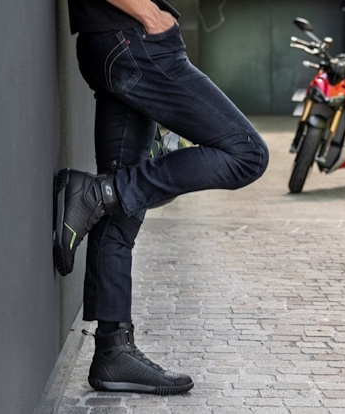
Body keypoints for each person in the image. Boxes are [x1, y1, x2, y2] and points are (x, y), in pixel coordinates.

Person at [54, 0, 269, 396]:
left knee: (122, 207)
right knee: (248, 154)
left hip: (113, 41)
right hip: (133, 38)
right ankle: (98, 192)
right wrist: (151, 16)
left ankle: (113, 350)